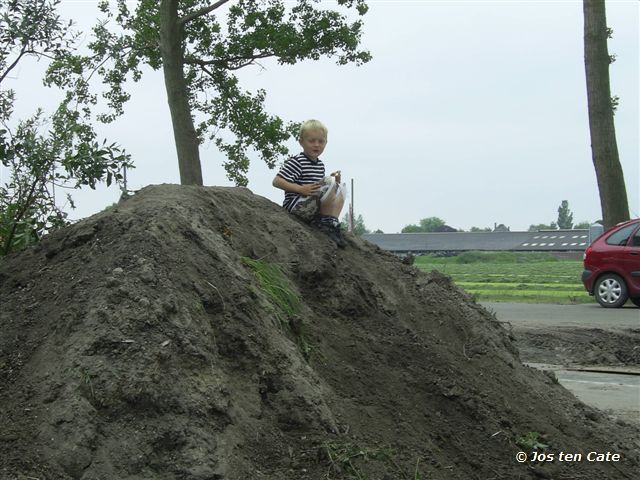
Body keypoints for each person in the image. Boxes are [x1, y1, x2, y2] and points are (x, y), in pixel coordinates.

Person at [272, 119, 347, 248]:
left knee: (340, 188)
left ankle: (331, 222)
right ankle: (325, 224)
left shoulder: (320, 165)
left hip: (312, 207)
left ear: (326, 143)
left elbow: (320, 189)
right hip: (296, 206)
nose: (316, 145)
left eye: (321, 141)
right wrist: (300, 189)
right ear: (301, 142)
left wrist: (334, 185)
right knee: (329, 182)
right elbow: (277, 181)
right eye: (311, 141)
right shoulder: (297, 161)